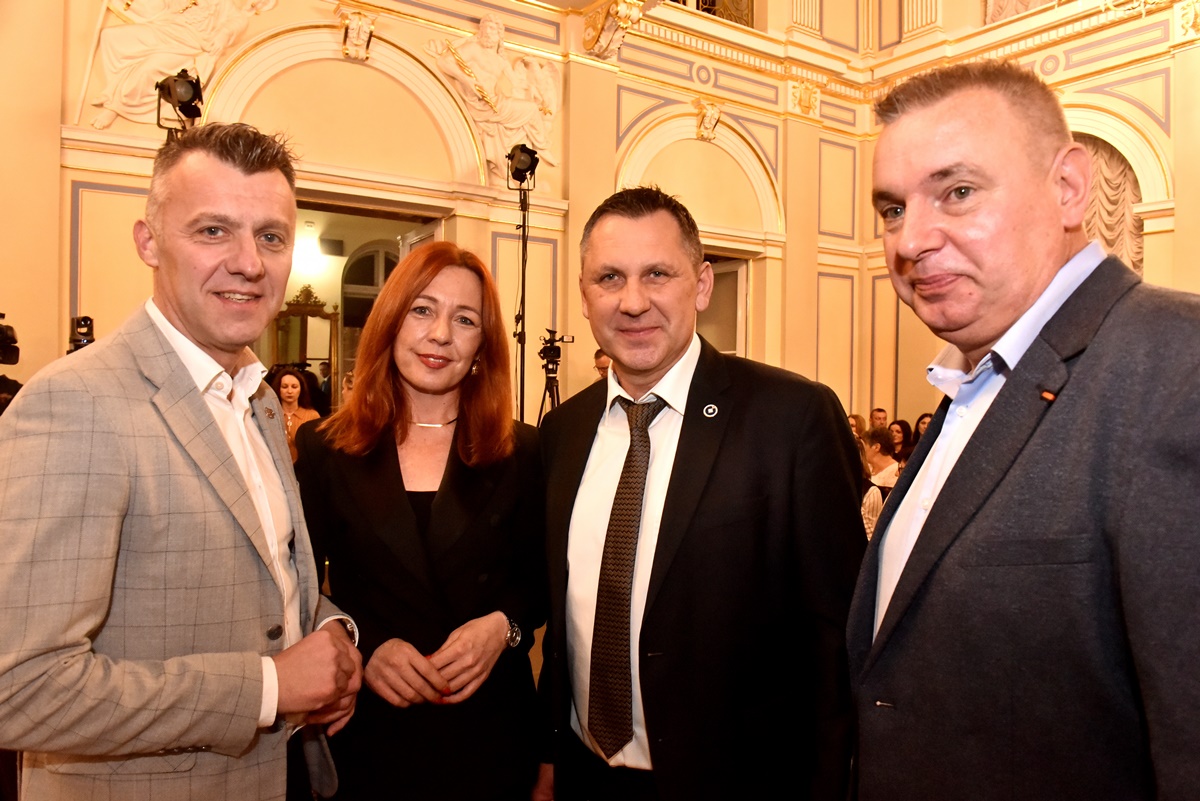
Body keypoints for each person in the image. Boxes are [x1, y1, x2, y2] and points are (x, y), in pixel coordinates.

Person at [850, 59, 1200, 799]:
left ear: (1068, 188)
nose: (911, 240)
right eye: (892, 209)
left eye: (958, 192)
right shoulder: (972, 380)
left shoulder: (1178, 367)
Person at [0, 122, 361, 800]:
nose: (249, 263)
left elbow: (264, 581)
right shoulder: (75, 403)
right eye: (213, 231)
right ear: (149, 241)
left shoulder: (256, 397)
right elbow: (20, 688)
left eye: (271, 237)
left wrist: (329, 632)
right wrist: (268, 686)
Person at [537, 187, 865, 801]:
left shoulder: (792, 419)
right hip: (586, 775)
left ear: (703, 285)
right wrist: (551, 756)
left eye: (657, 274)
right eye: (610, 278)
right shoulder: (562, 433)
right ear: (584, 296)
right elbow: (566, 620)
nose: (633, 301)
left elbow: (837, 639)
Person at [294, 241, 546, 800]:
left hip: (489, 732)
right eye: (422, 310)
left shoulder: (524, 450)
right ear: (390, 322)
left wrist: (504, 626)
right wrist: (363, 644)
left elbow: (546, 581)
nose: (440, 335)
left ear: (482, 346)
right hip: (370, 729)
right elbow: (297, 585)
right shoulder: (324, 448)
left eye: (465, 319)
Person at [274, 365, 321, 462]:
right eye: (284, 387)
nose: (289, 391)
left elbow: (317, 449)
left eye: (294, 387)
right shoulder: (272, 416)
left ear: (301, 389)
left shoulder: (312, 415)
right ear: (278, 389)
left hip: (304, 467)